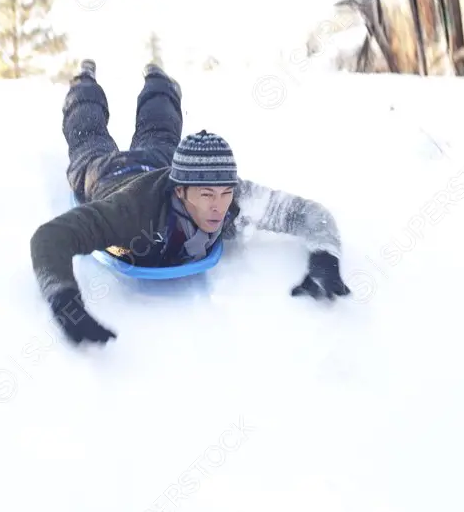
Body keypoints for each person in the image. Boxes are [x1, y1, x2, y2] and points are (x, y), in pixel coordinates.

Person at [31, 59, 352, 346]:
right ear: (180, 191)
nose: (219, 206)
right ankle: (84, 81)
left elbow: (308, 213)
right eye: (207, 195)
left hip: (158, 160)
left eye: (225, 192)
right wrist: (65, 302)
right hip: (107, 173)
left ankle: (156, 77)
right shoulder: (132, 212)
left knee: (161, 125)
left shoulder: (232, 197)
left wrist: (325, 259)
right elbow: (50, 238)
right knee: (87, 132)